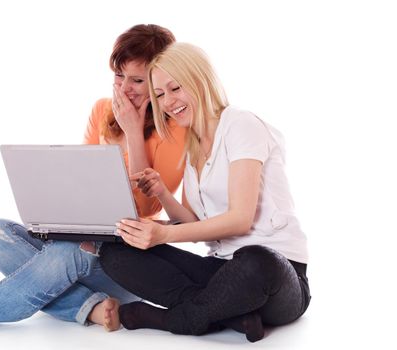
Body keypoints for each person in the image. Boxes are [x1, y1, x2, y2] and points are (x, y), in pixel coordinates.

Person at [0, 24, 186, 333]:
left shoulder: (176, 130)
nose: (124, 89)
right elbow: (81, 183)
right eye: (119, 76)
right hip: (83, 244)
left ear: (157, 80)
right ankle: (91, 308)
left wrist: (132, 133)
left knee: (65, 252)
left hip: (126, 261)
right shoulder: (102, 110)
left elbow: (140, 208)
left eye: (137, 81)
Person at [99, 42, 311, 342]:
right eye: (159, 95)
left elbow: (240, 220)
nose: (168, 101)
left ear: (200, 80)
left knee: (256, 259)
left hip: (276, 275)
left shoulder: (240, 125)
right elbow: (193, 224)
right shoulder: (193, 146)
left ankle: (180, 319)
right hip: (222, 270)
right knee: (116, 252)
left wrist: (164, 235)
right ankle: (232, 313)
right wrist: (161, 193)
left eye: (175, 88)